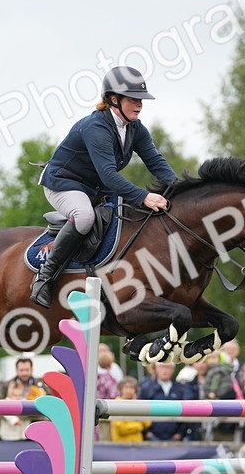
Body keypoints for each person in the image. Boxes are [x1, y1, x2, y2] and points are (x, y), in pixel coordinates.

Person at [30, 66, 177, 308]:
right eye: (133, 99)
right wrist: (144, 197)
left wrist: (180, 191)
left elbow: (156, 163)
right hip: (64, 184)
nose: (139, 105)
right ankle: (45, 276)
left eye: (141, 100)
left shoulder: (136, 129)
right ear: (113, 99)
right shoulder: (96, 127)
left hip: (94, 189)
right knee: (85, 216)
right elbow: (109, 175)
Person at [137, 363, 193, 441]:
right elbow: (140, 411)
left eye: (168, 367)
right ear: (155, 368)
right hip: (151, 437)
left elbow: (186, 411)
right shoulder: (146, 388)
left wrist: (180, 433)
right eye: (161, 366)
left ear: (173, 369)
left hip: (175, 438)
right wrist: (147, 433)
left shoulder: (181, 389)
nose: (165, 370)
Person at [110, 377, 150, 442]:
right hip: (121, 445)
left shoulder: (138, 404)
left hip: (137, 444)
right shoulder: (116, 404)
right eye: (126, 387)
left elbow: (147, 422)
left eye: (131, 388)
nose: (129, 390)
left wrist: (136, 403)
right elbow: (121, 429)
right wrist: (139, 426)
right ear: (120, 389)